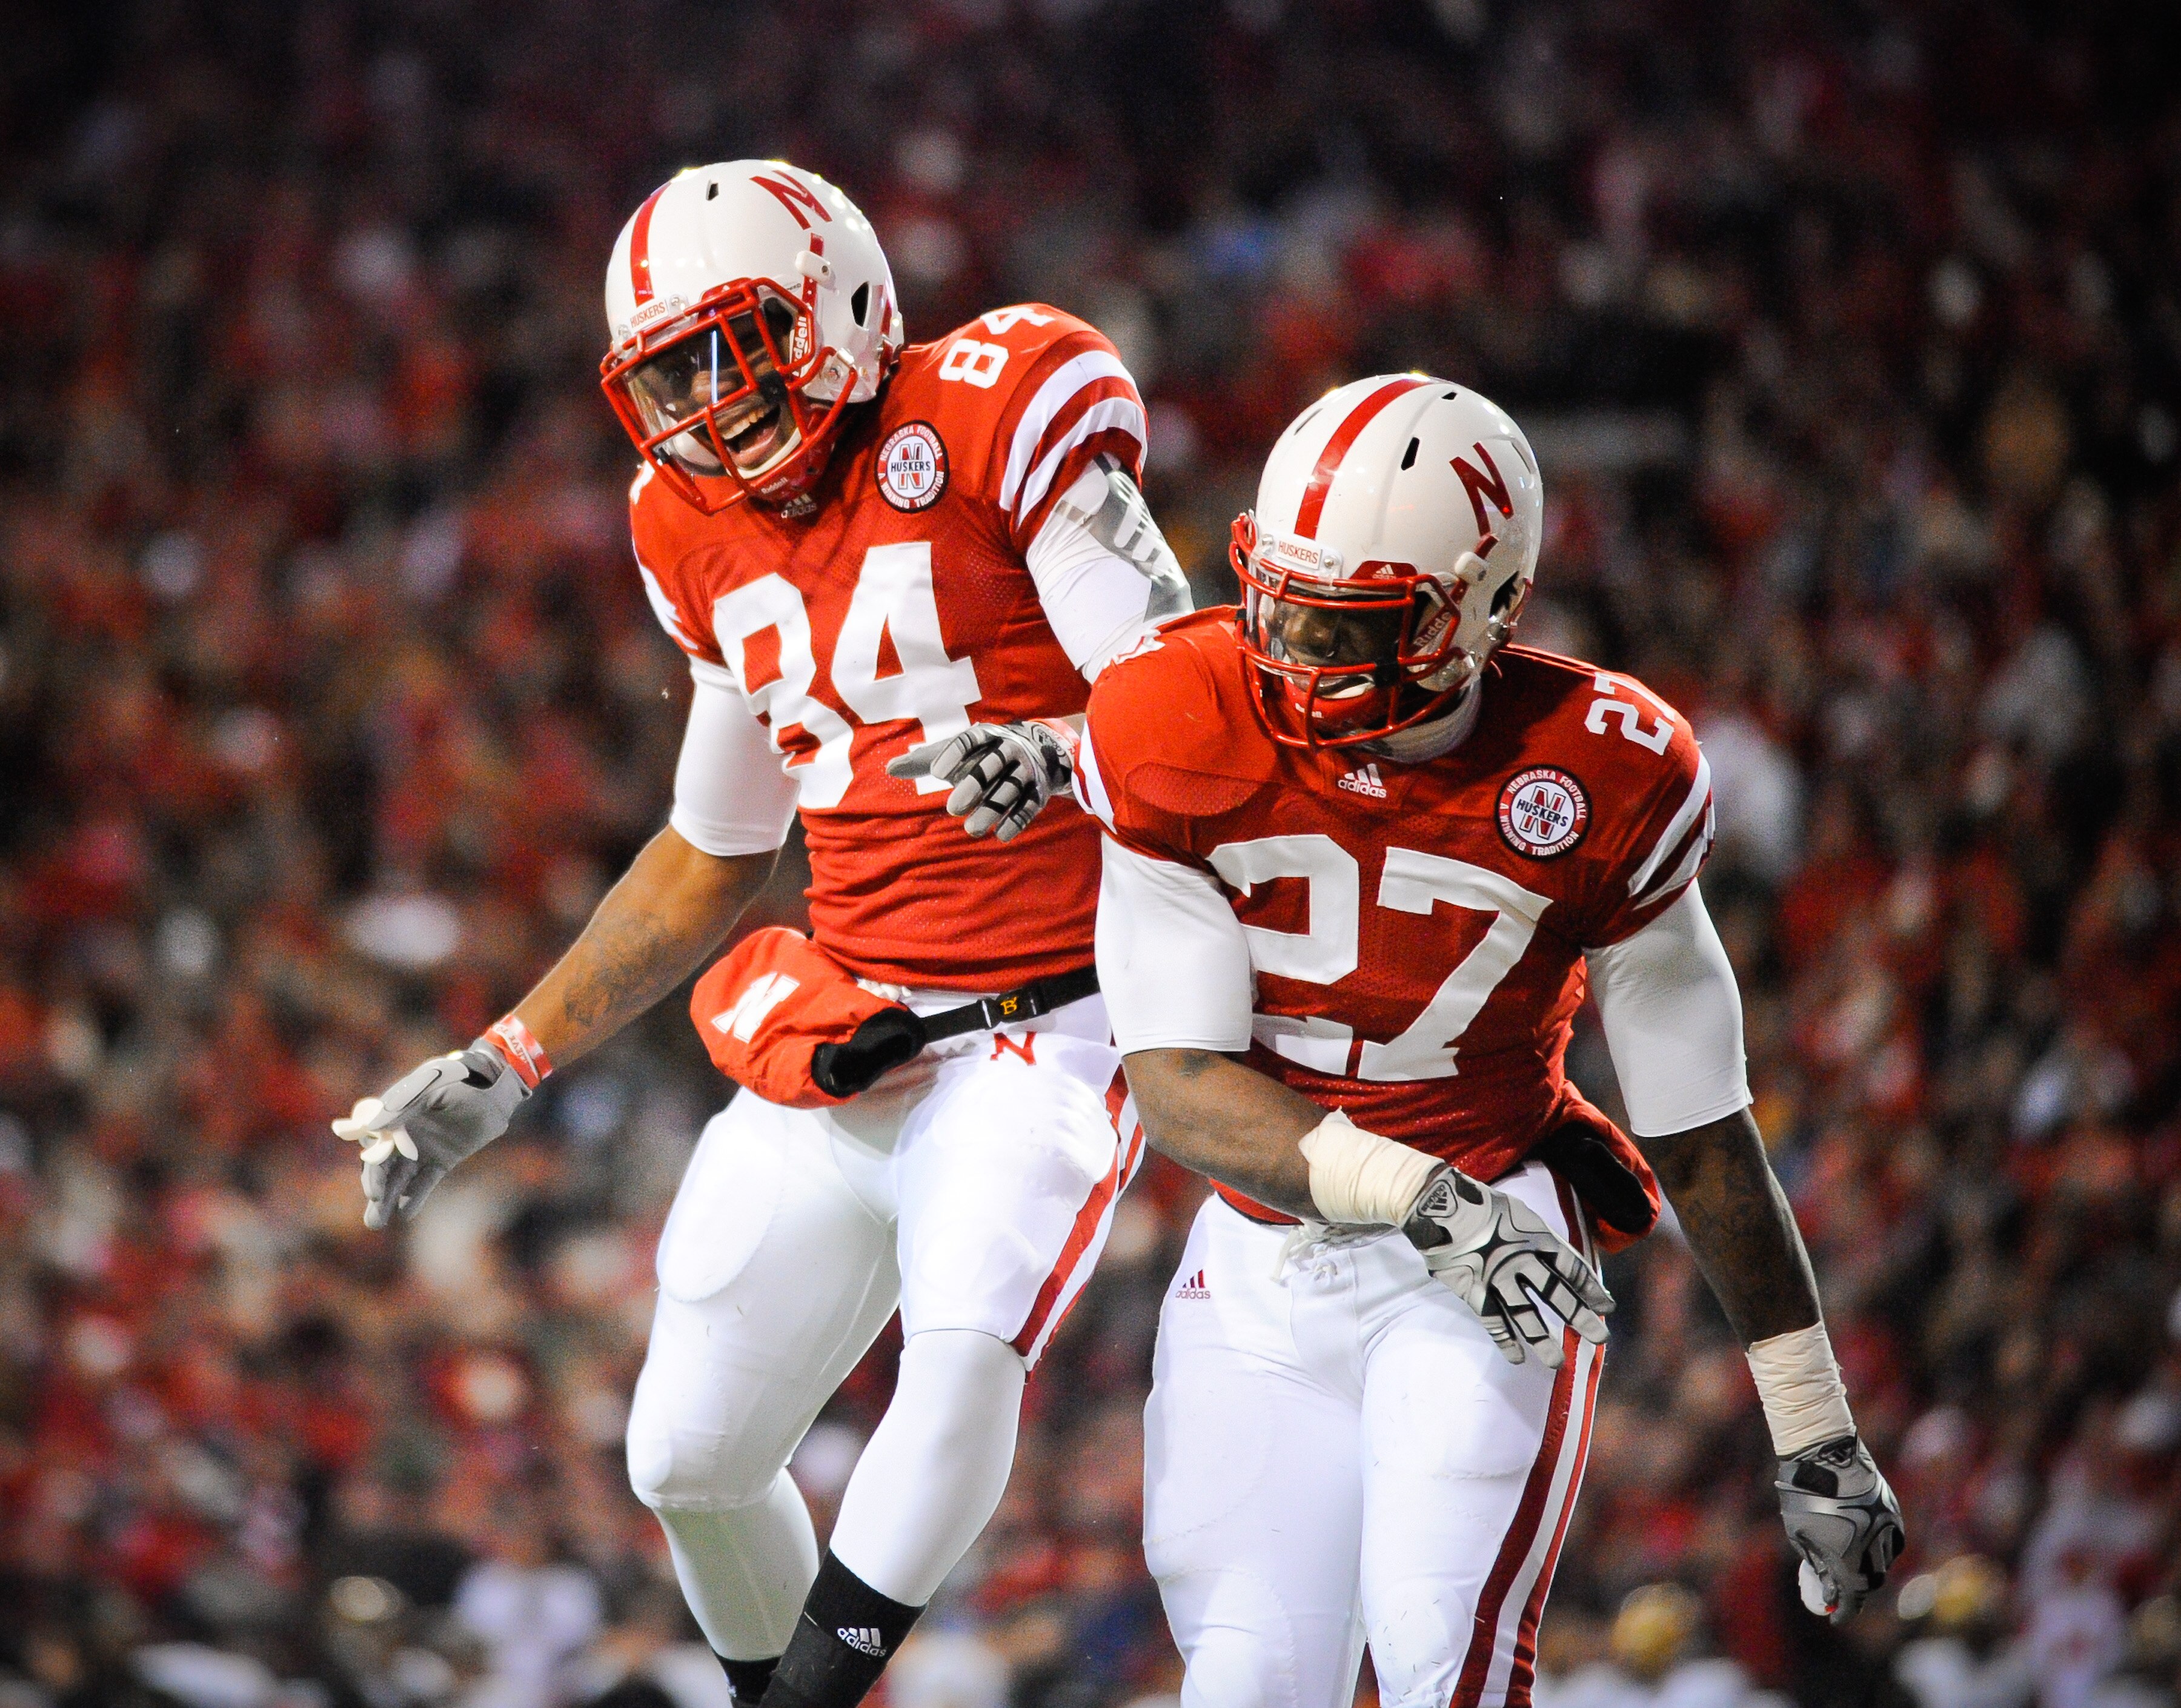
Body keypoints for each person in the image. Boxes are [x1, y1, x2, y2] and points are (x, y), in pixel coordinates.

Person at [331, 160, 1189, 1708]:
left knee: (962, 1351)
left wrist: (1064, 754)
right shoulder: (687, 525)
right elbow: (710, 850)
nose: (704, 406)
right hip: (847, 1025)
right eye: (668, 375)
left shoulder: (996, 407)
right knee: (685, 1458)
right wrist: (507, 1060)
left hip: (1048, 1023)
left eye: (733, 348)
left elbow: (1179, 701)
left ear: (843, 303)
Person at [1077, 375, 1906, 1707]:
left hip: (1493, 1246)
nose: (1295, 650)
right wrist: (1414, 1195)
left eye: (1349, 624)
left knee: (1442, 1656)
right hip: (1263, 1251)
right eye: (1280, 602)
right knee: (1246, 1678)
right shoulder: (1169, 709)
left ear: (1483, 607)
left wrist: (1815, 1428)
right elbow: (1176, 1086)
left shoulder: (1603, 768)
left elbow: (1701, 1131)